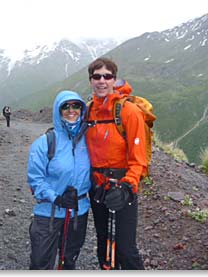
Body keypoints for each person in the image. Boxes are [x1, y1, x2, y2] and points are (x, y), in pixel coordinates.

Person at [85, 57, 145, 270]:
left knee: (126, 249)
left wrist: (128, 187)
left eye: (107, 76)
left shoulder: (129, 112)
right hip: (98, 187)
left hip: (122, 187)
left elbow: (139, 160)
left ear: (114, 79)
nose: (102, 81)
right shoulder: (88, 110)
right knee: (104, 244)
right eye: (96, 76)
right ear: (91, 80)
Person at [27, 90, 91, 270]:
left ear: (82, 109)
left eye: (76, 106)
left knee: (69, 260)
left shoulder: (89, 140)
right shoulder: (45, 142)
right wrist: (57, 198)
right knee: (41, 263)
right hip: (49, 212)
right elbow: (35, 180)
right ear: (58, 110)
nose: (71, 110)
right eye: (66, 106)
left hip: (79, 211)